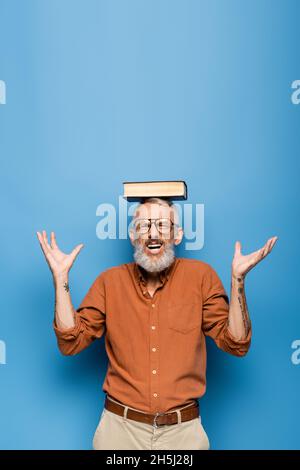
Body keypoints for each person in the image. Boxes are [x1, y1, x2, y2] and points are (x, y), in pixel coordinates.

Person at [37, 197, 277, 450]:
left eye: (162, 226)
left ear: (177, 235)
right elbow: (70, 342)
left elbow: (236, 344)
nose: (153, 234)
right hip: (119, 432)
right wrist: (60, 278)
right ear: (132, 235)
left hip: (183, 434)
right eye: (143, 226)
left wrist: (238, 280)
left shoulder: (201, 277)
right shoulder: (109, 282)